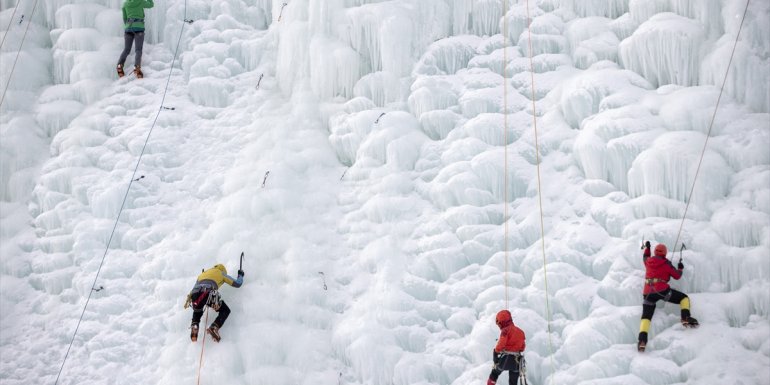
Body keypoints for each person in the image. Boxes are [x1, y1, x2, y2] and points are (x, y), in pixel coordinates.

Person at [637, 242, 698, 352]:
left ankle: (642, 341)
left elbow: (645, 256)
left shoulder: (648, 261)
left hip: (648, 293)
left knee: (646, 317)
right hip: (662, 291)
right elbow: (677, 276)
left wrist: (648, 248)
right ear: (665, 253)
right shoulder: (666, 263)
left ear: (655, 252)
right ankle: (685, 317)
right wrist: (680, 268)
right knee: (684, 298)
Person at [184, 263, 244, 342]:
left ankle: (195, 325)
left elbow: (196, 286)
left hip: (194, 294)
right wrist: (240, 275)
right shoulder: (221, 273)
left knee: (197, 311)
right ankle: (214, 327)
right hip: (208, 293)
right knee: (225, 310)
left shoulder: (203, 274)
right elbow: (237, 283)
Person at [116, 0, 154, 78]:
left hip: (128, 28)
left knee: (126, 49)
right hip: (139, 28)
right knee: (138, 50)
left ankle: (119, 65)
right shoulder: (140, 1)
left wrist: (128, 26)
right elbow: (151, 5)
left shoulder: (125, 3)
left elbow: (124, 18)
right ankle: (137, 68)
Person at [487, 310, 526, 385]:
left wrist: (495, 352)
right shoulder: (521, 332)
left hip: (506, 358)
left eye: (499, 324)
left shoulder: (505, 331)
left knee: (494, 373)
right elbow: (522, 347)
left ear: (502, 322)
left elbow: (501, 343)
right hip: (517, 361)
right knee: (513, 382)